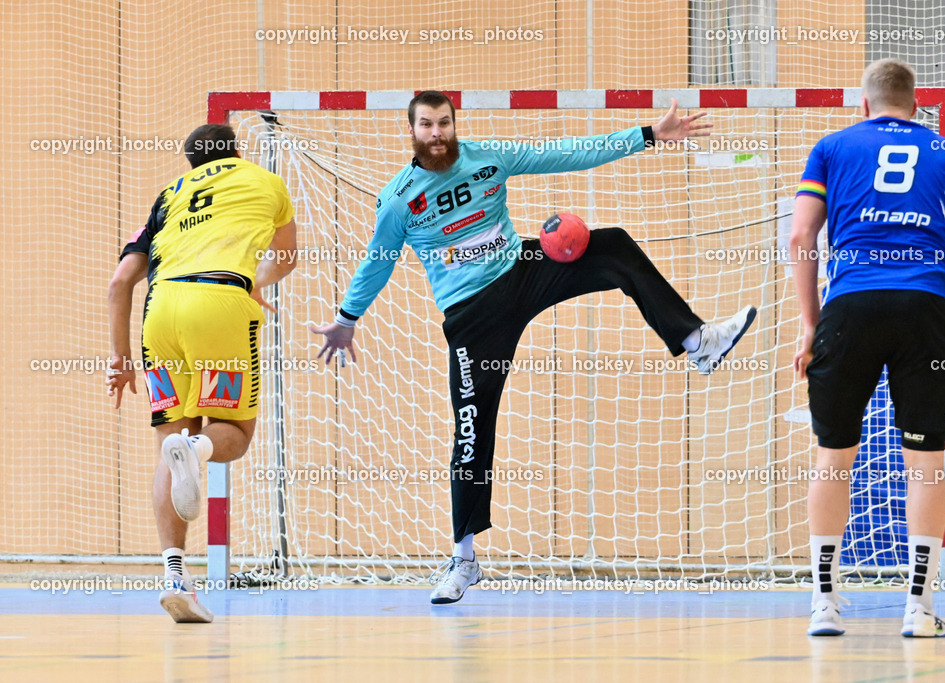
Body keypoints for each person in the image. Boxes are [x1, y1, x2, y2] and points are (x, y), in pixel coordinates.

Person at [312, 91, 757, 604]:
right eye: (427, 125)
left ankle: (695, 340)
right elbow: (379, 260)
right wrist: (347, 319)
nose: (437, 133)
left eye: (445, 123)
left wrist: (648, 137)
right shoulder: (398, 199)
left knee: (611, 245)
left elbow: (566, 152)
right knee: (472, 432)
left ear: (456, 125)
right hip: (471, 314)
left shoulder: (489, 159)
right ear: (411, 131)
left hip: (520, 270)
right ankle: (464, 559)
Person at [790, 59, 945, 637]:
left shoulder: (831, 146)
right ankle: (919, 610)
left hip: (849, 309)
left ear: (865, 105)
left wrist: (810, 324)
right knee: (926, 465)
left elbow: (802, 236)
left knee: (833, 455)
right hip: (925, 311)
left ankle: (824, 605)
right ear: (916, 108)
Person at [106, 124, 298, 622]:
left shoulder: (169, 196)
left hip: (161, 313)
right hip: (219, 306)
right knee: (231, 431)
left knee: (167, 448)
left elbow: (121, 281)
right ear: (236, 151)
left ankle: (175, 578)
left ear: (192, 163)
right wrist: (252, 282)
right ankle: (198, 450)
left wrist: (120, 359)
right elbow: (287, 258)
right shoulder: (265, 181)